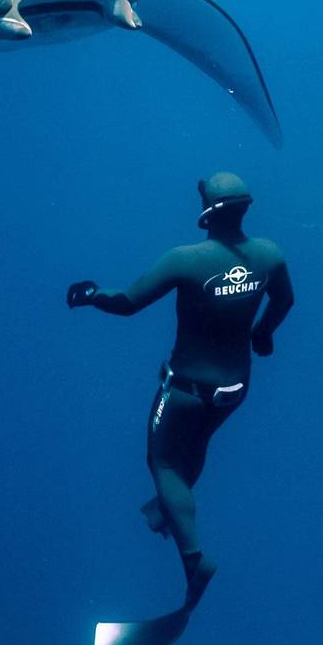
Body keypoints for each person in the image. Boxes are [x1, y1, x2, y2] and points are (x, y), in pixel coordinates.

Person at [66, 172, 296, 611]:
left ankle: (193, 561)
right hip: (235, 388)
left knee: (164, 460)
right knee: (198, 443)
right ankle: (168, 508)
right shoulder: (270, 255)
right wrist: (263, 335)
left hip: (186, 389)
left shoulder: (184, 260)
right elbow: (285, 302)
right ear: (245, 207)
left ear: (206, 212)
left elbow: (128, 303)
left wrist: (92, 294)